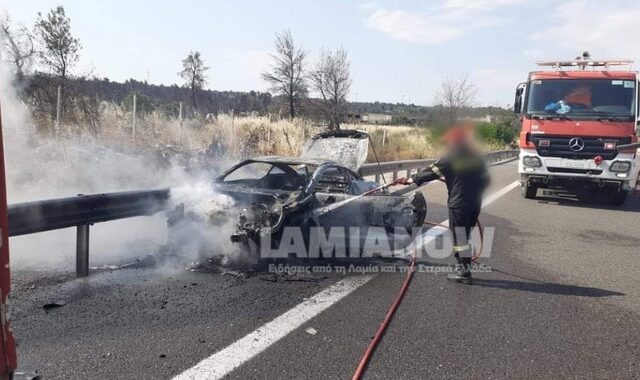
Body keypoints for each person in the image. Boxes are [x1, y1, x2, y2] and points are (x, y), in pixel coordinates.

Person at [397, 126, 490, 284]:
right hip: (474, 203)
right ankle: (464, 268)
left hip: (459, 203)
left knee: (459, 238)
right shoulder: (475, 157)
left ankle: (463, 273)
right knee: (465, 235)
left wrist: (410, 179)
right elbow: (485, 181)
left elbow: (430, 172)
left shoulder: (451, 157)